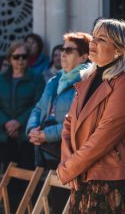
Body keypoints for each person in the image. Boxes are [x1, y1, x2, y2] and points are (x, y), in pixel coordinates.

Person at [56, 19, 125, 213]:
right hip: (80, 176)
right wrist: (68, 165)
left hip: (107, 182)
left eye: (101, 39)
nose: (93, 43)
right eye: (93, 37)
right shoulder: (88, 77)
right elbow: (69, 123)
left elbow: (103, 137)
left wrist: (69, 168)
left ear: (120, 50)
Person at [26, 33, 92, 169]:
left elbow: (78, 122)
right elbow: (38, 108)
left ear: (83, 57)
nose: (63, 54)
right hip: (45, 150)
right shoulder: (55, 80)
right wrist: (32, 129)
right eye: (62, 49)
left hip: (68, 156)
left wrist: (46, 135)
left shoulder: (86, 83)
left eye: (68, 50)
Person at [0, 41, 45, 170]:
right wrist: (6, 123)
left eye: (24, 56)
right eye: (16, 57)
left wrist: (18, 122)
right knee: (7, 176)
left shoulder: (37, 78)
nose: (20, 60)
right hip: (5, 135)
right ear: (9, 58)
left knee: (26, 173)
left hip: (26, 134)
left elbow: (39, 104)